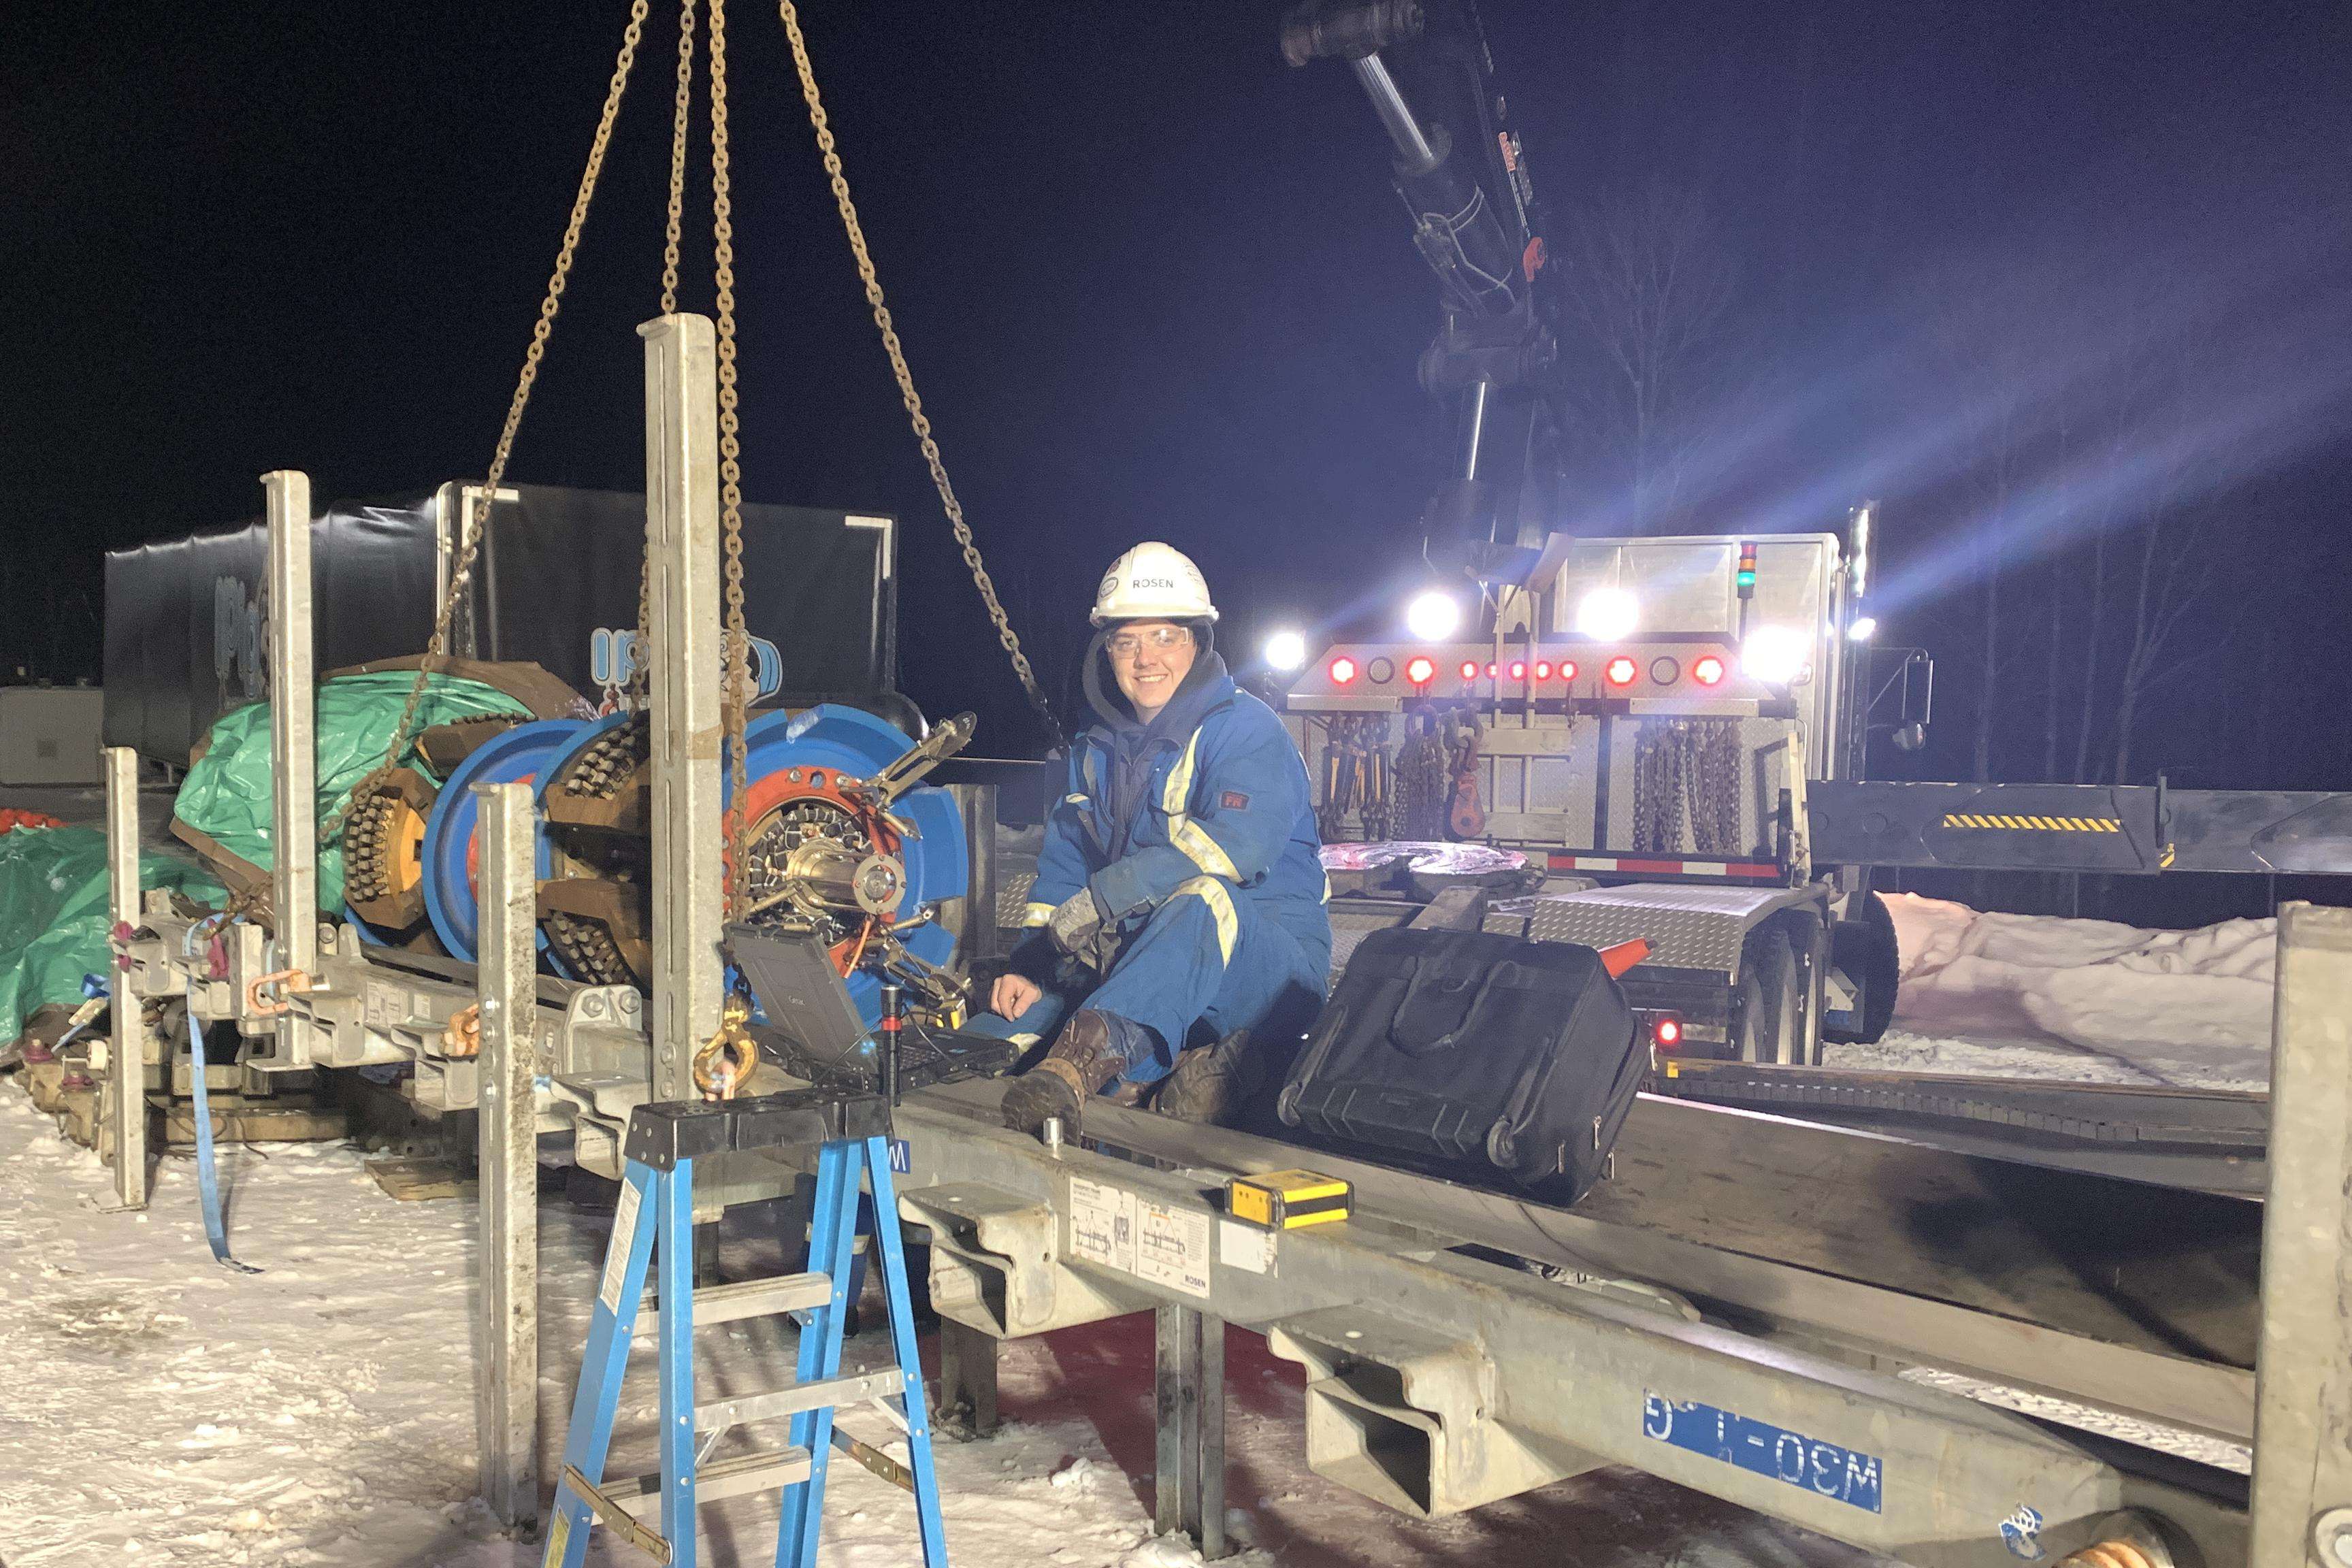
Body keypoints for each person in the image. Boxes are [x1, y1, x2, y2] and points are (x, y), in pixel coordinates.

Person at [979, 542, 1331, 1135]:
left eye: (1165, 637)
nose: (1146, 658)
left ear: (1196, 644)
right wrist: (1030, 966)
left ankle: (1088, 1066)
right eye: (1127, 641)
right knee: (999, 1034)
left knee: (1203, 899)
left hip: (1264, 973)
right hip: (1147, 961)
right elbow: (1064, 863)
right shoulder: (1096, 749)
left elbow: (1235, 848)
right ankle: (1154, 1073)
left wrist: (1109, 896)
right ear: (1108, 651)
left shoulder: (1246, 731)